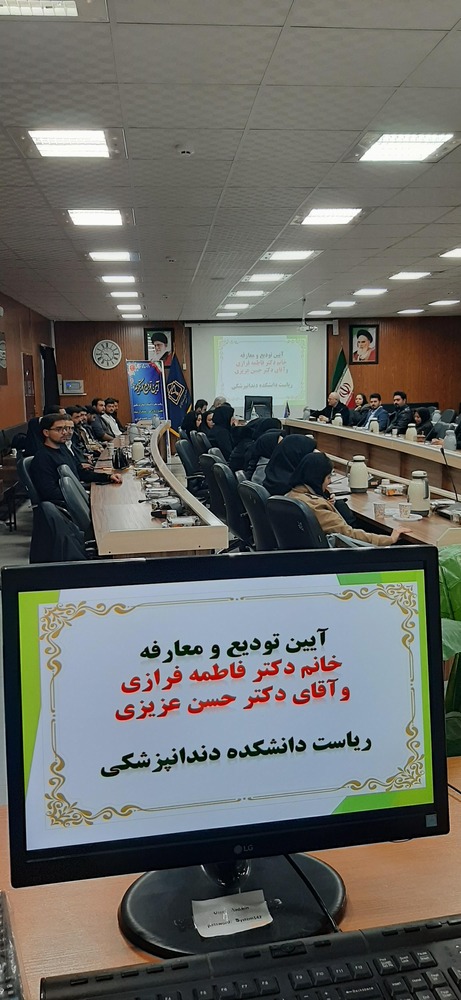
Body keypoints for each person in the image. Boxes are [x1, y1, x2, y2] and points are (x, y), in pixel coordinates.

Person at [286, 452, 406, 546]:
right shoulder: (316, 506)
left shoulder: (291, 496)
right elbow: (349, 535)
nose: (330, 481)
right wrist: (389, 539)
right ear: (317, 478)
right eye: (328, 477)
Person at [30, 414, 122, 507]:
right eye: (59, 429)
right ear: (46, 432)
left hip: (77, 495)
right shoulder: (42, 458)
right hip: (68, 504)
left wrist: (108, 477)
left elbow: (80, 473)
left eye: (65, 428)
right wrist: (82, 493)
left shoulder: (64, 449)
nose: (65, 432)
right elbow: (49, 493)